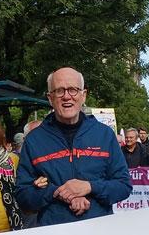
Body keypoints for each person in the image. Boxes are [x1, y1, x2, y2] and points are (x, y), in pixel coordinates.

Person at [15, 67, 131, 224]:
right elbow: (23, 196)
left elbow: (123, 186)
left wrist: (90, 187)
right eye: (59, 91)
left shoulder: (105, 135)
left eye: (73, 90)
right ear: (50, 98)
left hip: (99, 234)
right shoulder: (34, 140)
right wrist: (56, 192)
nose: (66, 96)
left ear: (83, 95)